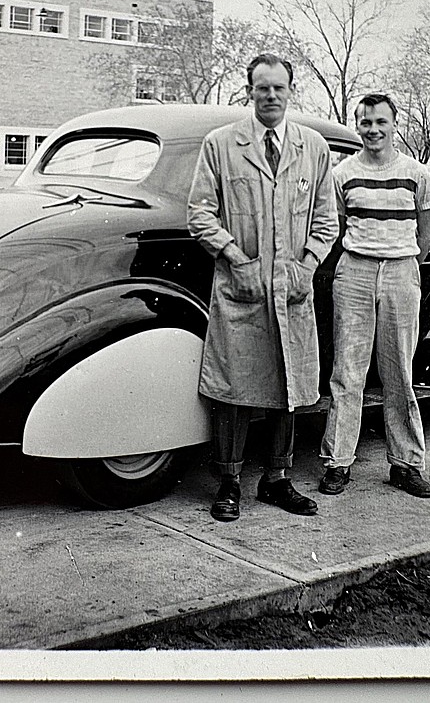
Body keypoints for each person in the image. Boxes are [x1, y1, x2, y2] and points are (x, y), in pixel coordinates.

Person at [187, 53, 338, 522]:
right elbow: (199, 214)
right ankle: (230, 483)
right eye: (262, 88)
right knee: (235, 387)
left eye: (279, 88)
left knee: (288, 384)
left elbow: (326, 219)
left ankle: (277, 480)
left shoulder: (312, 147)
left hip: (291, 291)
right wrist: (236, 257)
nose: (271, 96)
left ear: (291, 92)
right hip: (242, 288)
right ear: (248, 91)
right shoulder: (221, 144)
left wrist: (305, 266)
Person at [318, 93, 430, 499]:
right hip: (354, 272)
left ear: (394, 124)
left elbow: (426, 235)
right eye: (366, 122)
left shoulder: (417, 174)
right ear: (358, 124)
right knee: (348, 373)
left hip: (401, 272)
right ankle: (338, 463)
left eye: (381, 122)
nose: (373, 130)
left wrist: (399, 264)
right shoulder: (342, 174)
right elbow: (334, 228)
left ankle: (406, 464)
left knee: (399, 372)